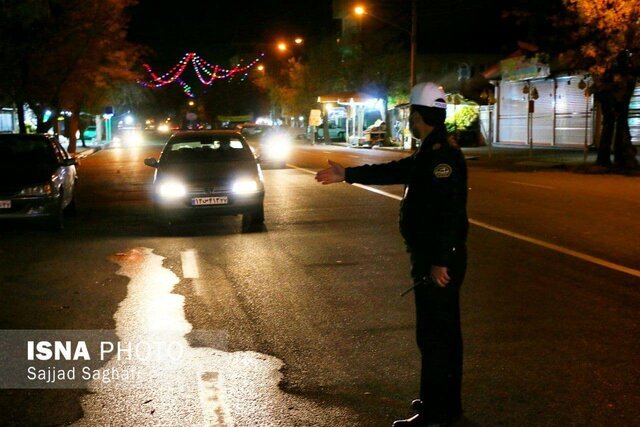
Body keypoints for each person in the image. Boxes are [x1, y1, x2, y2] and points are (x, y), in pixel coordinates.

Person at [315, 82, 468, 427]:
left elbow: (449, 211)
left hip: (438, 259)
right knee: (442, 334)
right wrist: (348, 174)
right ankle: (444, 404)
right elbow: (398, 170)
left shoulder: (440, 154)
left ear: (418, 115)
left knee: (434, 336)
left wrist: (441, 259)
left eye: (410, 115)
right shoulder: (432, 150)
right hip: (435, 256)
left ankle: (434, 413)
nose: (409, 122)